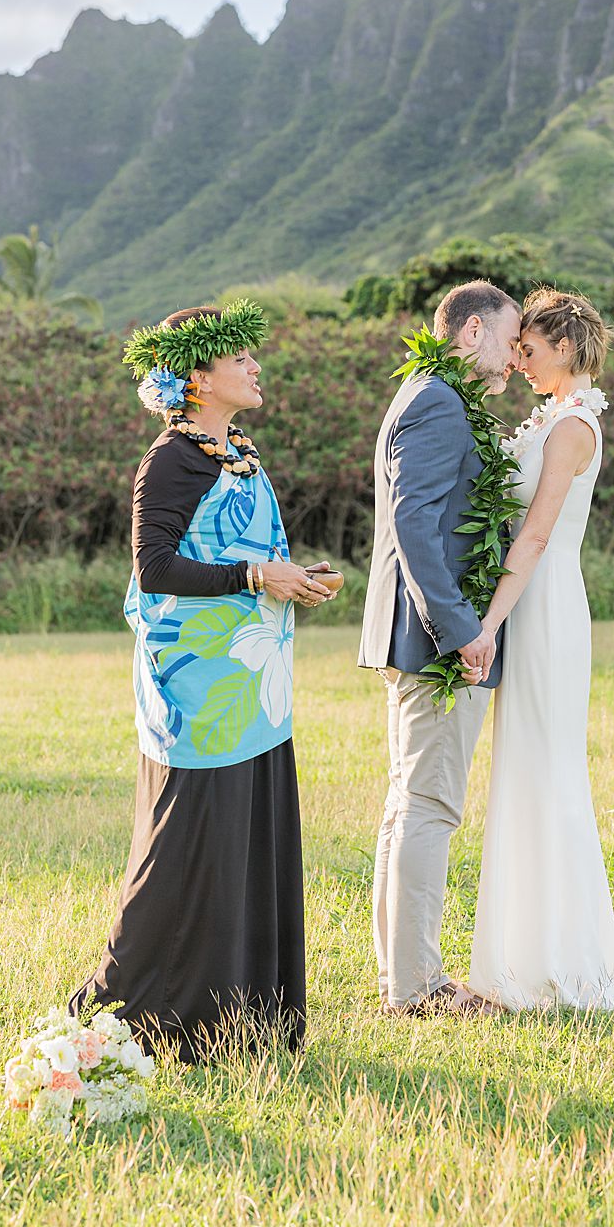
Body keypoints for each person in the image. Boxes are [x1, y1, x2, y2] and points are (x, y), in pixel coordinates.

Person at [70, 301, 337, 1058]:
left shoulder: (239, 450)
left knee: (249, 838)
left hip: (253, 684)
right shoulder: (171, 460)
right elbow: (154, 568)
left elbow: (244, 554)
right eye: (241, 358)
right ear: (198, 376)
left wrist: (293, 578)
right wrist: (256, 574)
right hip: (198, 690)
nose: (256, 368)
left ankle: (243, 1019)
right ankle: (125, 1013)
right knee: (185, 842)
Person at [359, 280, 523, 1016]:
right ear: (470, 333)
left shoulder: (434, 396)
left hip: (417, 635)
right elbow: (413, 525)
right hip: (434, 641)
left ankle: (404, 978)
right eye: (511, 338)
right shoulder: (437, 402)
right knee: (428, 807)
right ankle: (418, 989)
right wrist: (461, 631)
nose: (518, 356)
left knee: (410, 806)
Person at [468, 287, 614, 1011]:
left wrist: (490, 621)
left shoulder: (573, 428)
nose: (518, 361)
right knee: (524, 767)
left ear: (563, 347)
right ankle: (523, 954)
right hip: (530, 597)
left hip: (546, 602)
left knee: (550, 767)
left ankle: (563, 960)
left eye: (527, 350)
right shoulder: (554, 417)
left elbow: (534, 535)